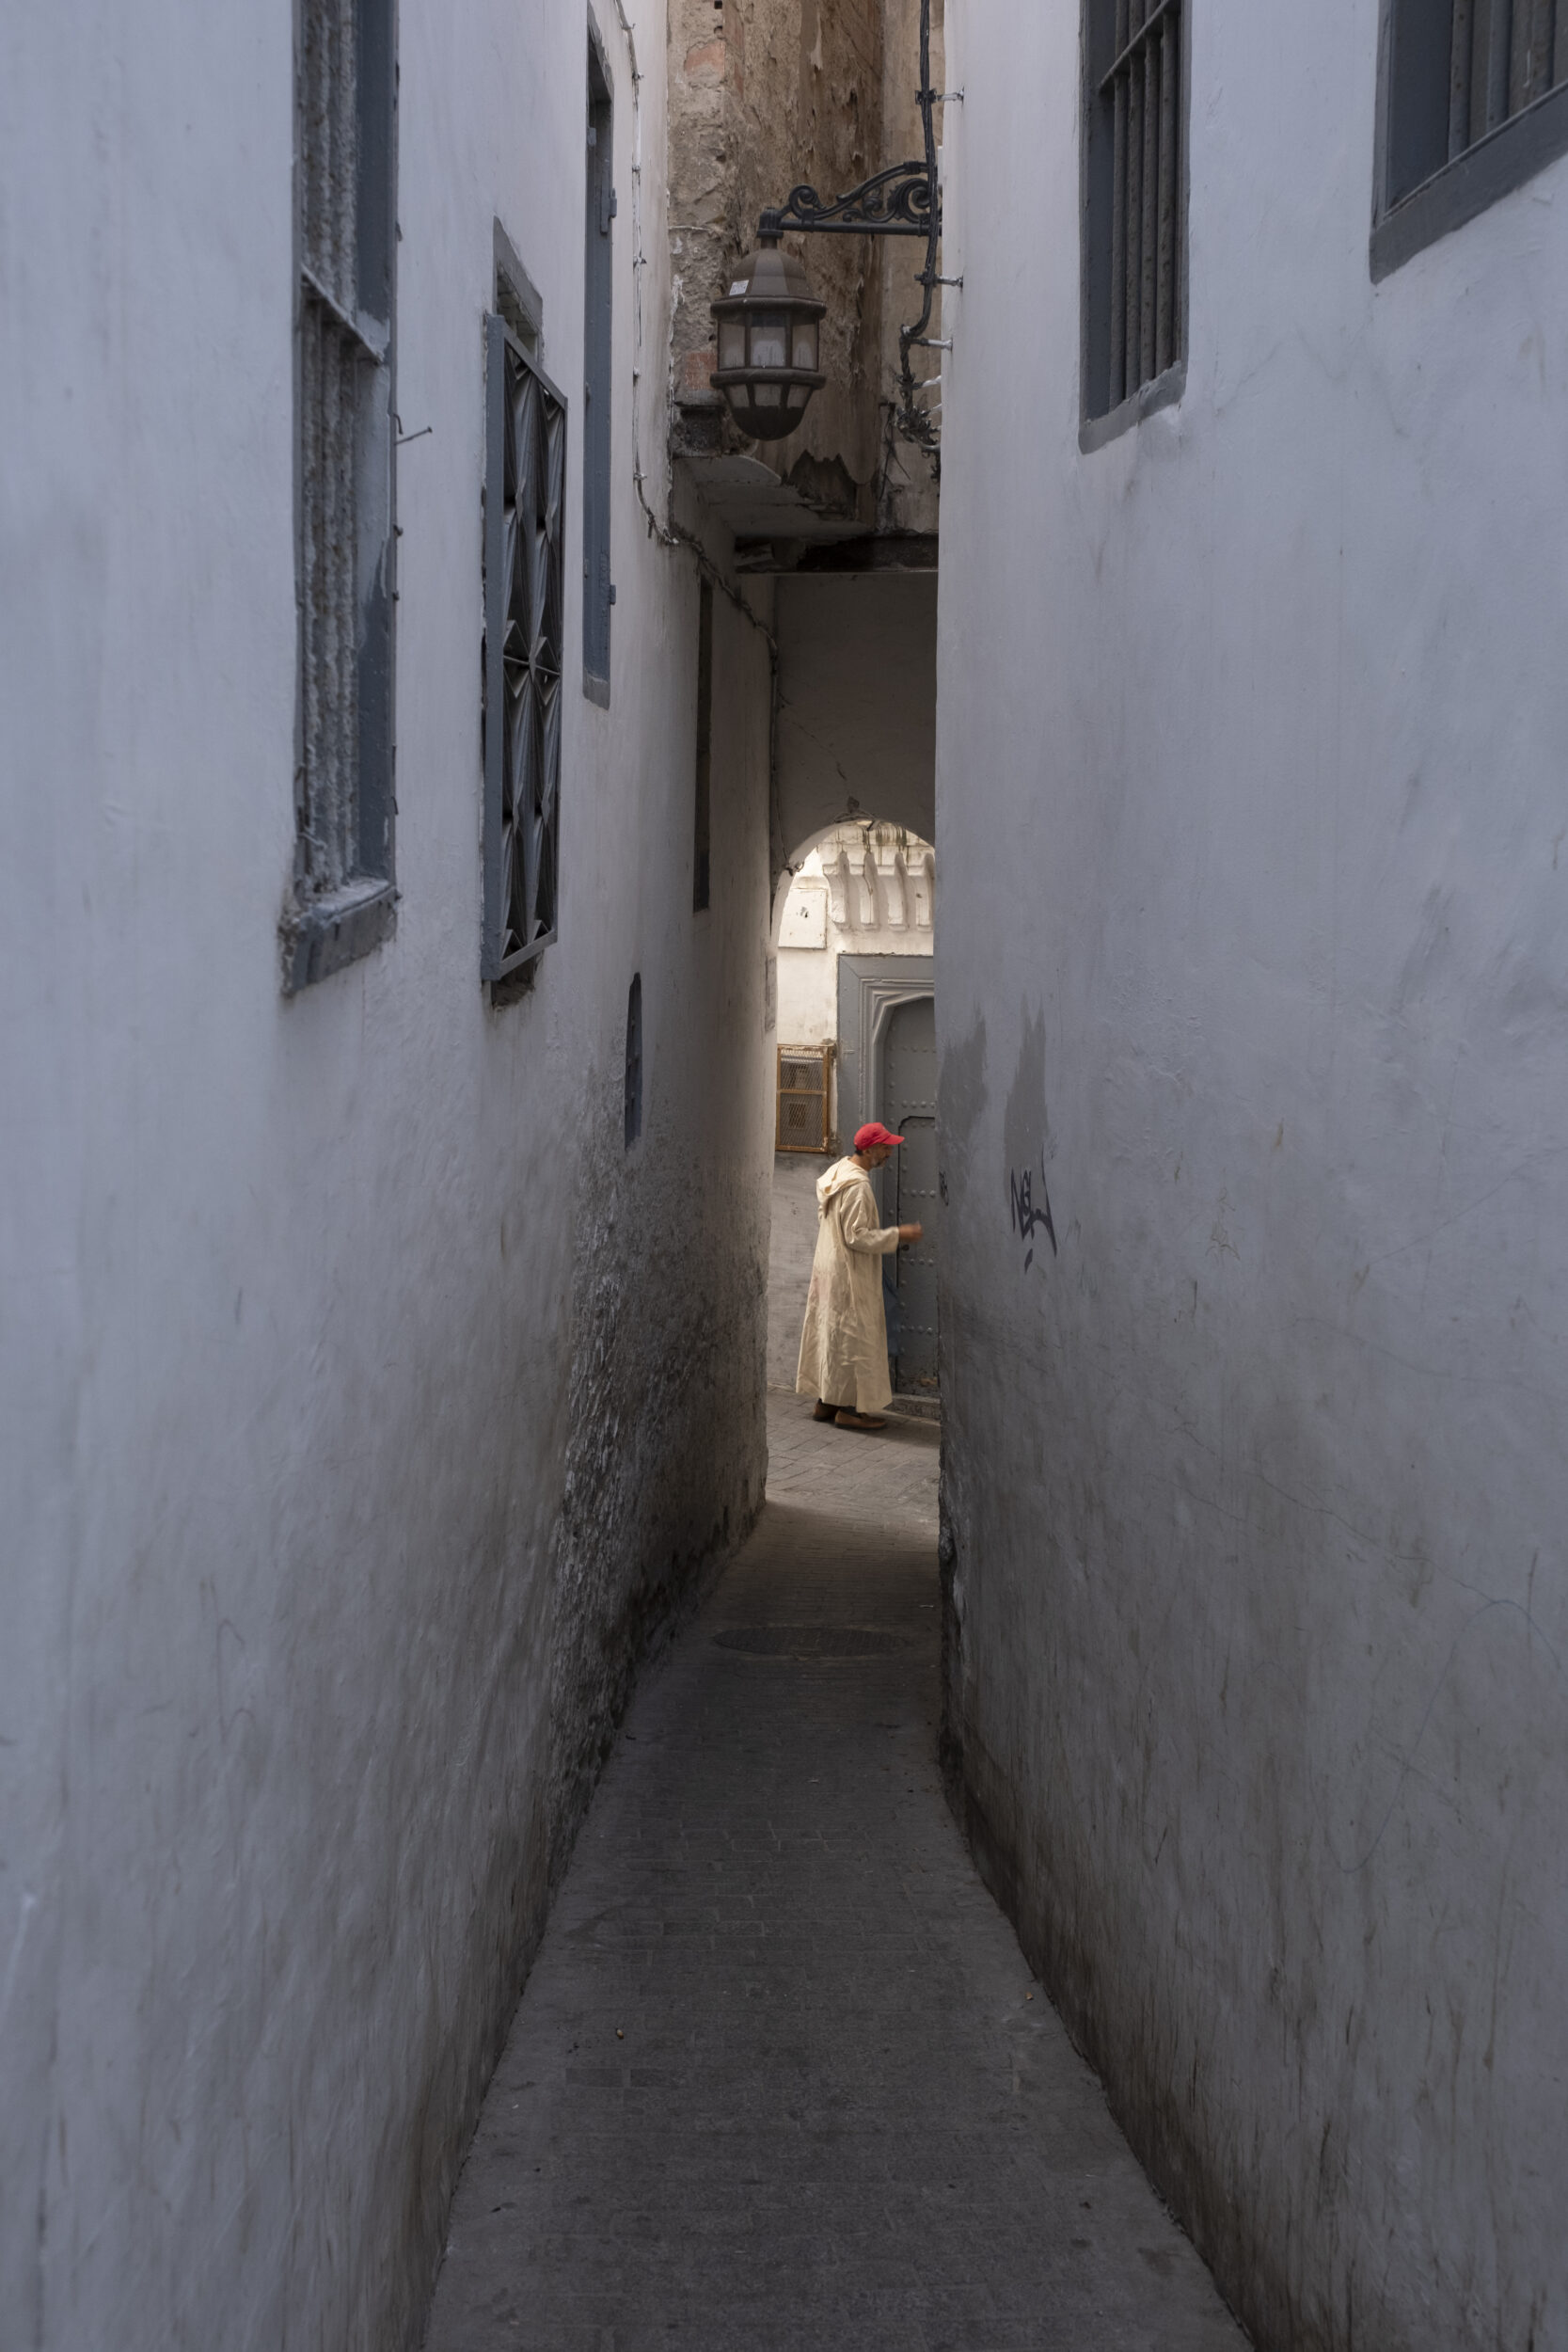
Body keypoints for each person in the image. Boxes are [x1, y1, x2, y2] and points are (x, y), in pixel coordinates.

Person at [796, 1121, 924, 1433]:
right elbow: (857, 1237)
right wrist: (898, 1234)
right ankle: (850, 1410)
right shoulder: (858, 1187)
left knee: (833, 1336)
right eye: (884, 1147)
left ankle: (827, 1402)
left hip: (830, 1269)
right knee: (854, 1338)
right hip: (849, 1274)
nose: (888, 1152)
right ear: (868, 1149)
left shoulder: (836, 1175)